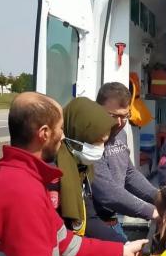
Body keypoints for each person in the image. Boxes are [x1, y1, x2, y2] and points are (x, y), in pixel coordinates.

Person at [0, 92, 147, 256]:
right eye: (60, 128)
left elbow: (64, 241)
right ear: (44, 133)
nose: (63, 136)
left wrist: (121, 251)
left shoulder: (24, 178)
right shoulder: (21, 191)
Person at [52, 97, 127, 242]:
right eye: (96, 142)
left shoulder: (82, 168)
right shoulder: (54, 174)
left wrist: (124, 245)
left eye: (103, 143)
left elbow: (89, 218)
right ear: (78, 134)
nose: (100, 148)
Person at [92, 82, 159, 239]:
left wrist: (158, 197)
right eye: (113, 116)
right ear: (97, 109)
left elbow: (128, 173)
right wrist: (151, 211)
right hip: (91, 222)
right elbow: (107, 193)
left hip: (112, 220)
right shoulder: (90, 139)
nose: (119, 123)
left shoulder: (120, 133)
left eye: (125, 116)